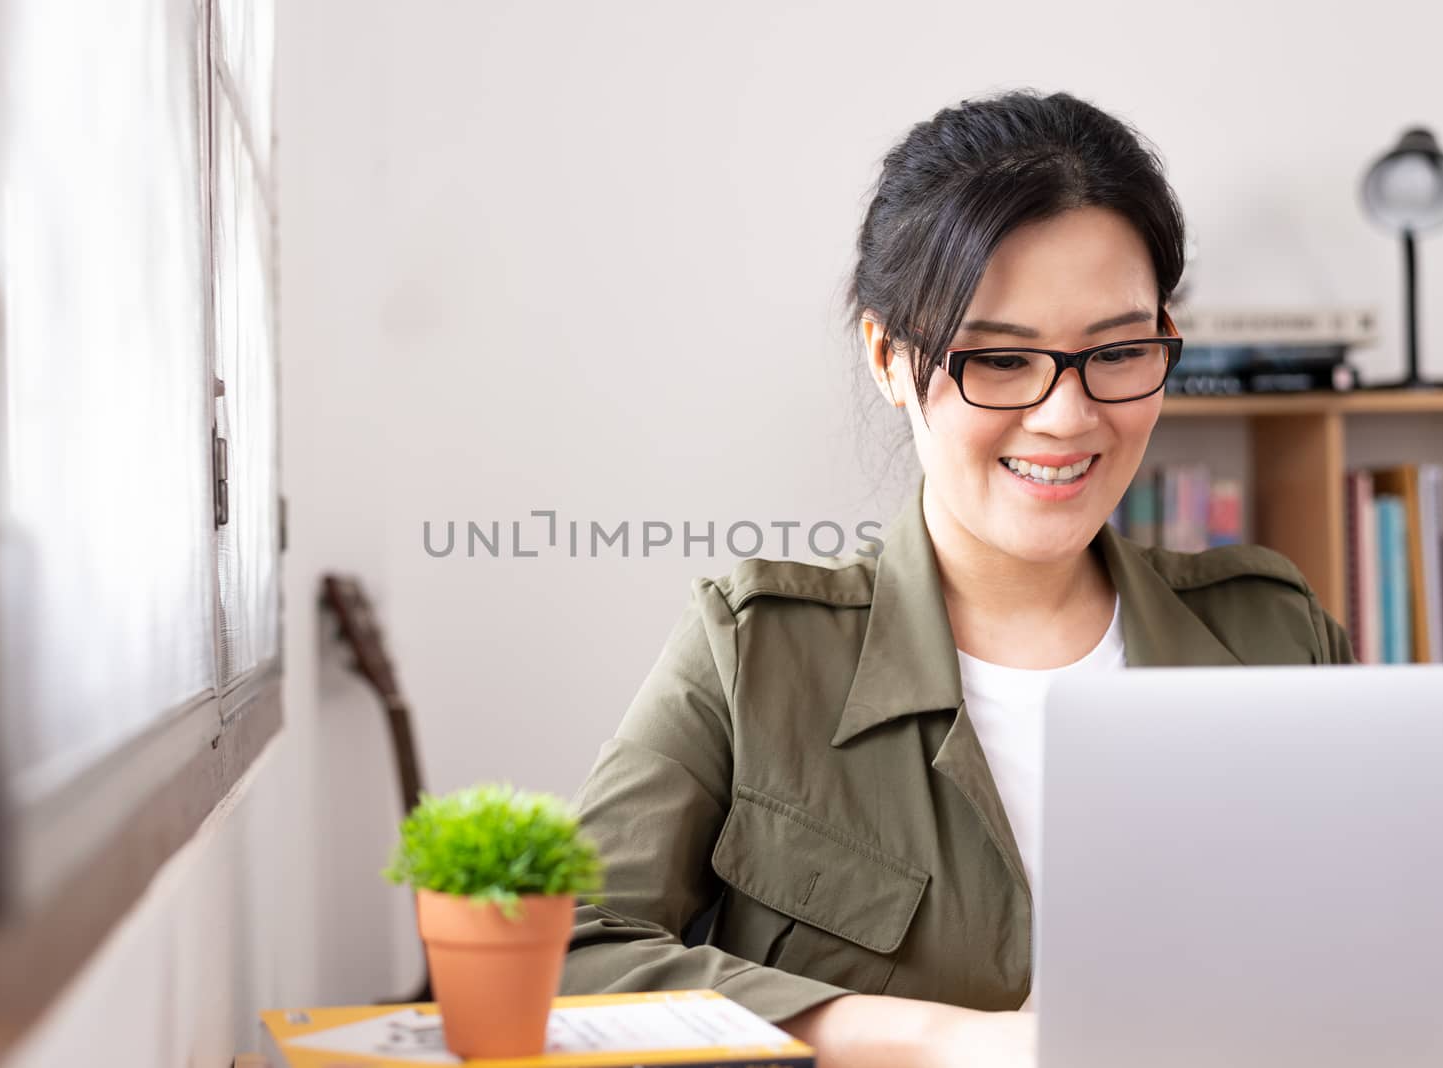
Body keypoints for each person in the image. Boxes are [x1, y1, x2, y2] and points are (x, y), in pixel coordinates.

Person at [557, 89, 1354, 1068]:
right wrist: (942, 1041)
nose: (1066, 417)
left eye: (1116, 351)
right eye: (999, 359)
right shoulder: (754, 650)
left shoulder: (1277, 635)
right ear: (891, 357)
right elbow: (562, 957)